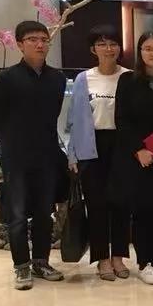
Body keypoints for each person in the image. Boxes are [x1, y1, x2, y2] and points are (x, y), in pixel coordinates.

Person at [0, 20, 66, 290]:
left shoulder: (57, 79)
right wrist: (12, 148)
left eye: (44, 39)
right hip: (16, 157)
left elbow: (53, 117)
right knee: (18, 214)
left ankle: (41, 261)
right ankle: (21, 266)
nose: (40, 44)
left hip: (47, 155)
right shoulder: (6, 79)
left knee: (44, 212)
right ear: (20, 44)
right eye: (33, 39)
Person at [109, 32, 153, 285]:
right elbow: (122, 119)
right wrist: (139, 149)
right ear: (140, 52)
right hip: (138, 157)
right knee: (142, 208)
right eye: (147, 48)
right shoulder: (128, 80)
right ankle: (144, 263)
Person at [66, 25, 131, 281]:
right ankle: (102, 259)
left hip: (122, 146)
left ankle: (119, 257)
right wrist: (72, 154)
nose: (108, 49)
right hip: (91, 147)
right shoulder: (84, 79)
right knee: (96, 205)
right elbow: (74, 119)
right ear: (94, 49)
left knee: (121, 204)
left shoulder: (129, 77)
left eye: (113, 43)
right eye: (102, 44)